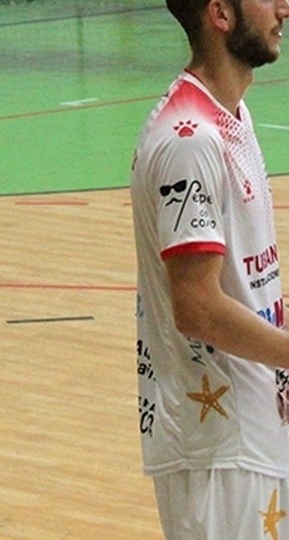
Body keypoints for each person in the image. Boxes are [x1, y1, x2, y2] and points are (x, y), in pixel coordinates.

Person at [131, 0, 289, 537]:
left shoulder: (232, 117)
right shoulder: (190, 140)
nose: (283, 7)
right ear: (220, 14)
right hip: (218, 447)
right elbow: (196, 306)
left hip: (253, 429)